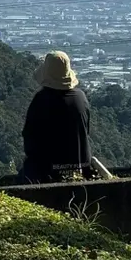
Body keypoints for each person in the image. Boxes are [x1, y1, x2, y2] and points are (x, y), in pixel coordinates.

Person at [20, 50, 91, 184]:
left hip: (47, 171)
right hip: (81, 167)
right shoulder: (80, 97)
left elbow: (29, 138)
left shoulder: (41, 100)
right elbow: (86, 131)